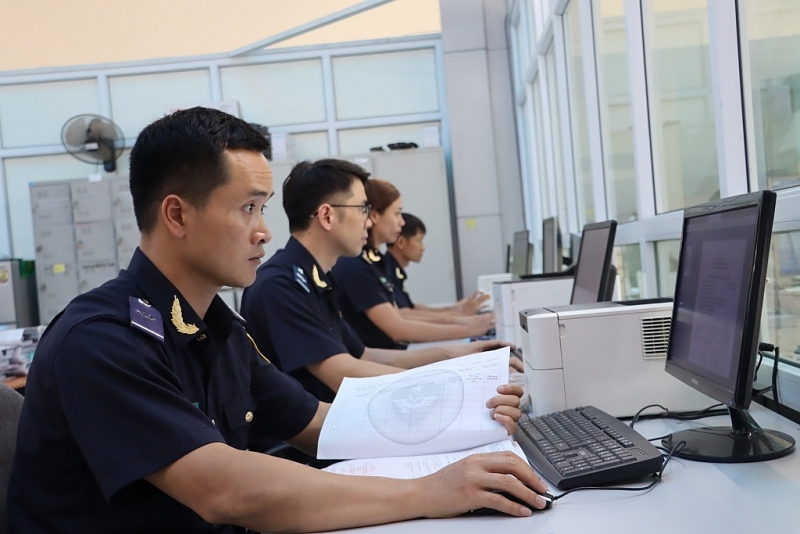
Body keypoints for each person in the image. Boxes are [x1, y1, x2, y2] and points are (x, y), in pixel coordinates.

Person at [7, 107, 549, 534]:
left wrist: (464, 412)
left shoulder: (215, 325)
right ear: (176, 215)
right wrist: (428, 492)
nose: (265, 231)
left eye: (263, 208)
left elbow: (320, 425)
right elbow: (225, 491)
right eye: (248, 208)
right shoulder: (103, 341)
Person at [240, 159, 511, 404]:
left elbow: (365, 356)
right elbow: (344, 373)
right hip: (311, 448)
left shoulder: (317, 279)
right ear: (327, 216)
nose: (369, 222)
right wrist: (457, 380)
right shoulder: (281, 285)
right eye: (362, 209)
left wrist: (460, 355)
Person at [332, 179, 495, 349]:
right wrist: (469, 327)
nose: (401, 222)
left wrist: (459, 317)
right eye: (396, 213)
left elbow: (400, 315)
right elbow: (399, 328)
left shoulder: (371, 262)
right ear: (374, 216)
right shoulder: (354, 266)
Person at [385, 212, 491, 314]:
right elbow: (404, 314)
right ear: (401, 243)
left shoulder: (392, 270)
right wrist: (459, 314)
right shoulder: (386, 272)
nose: (423, 247)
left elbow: (410, 308)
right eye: (419, 240)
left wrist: (454, 308)